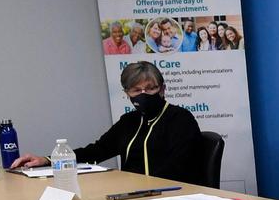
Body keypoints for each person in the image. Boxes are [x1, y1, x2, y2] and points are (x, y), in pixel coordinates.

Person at [11, 62, 202, 182]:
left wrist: (138, 187)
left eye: (150, 89)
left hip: (171, 197)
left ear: (162, 90)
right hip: (134, 198)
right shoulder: (129, 121)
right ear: (127, 94)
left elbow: (179, 168)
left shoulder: (180, 119)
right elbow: (97, 151)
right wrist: (48, 160)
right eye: (136, 91)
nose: (144, 95)